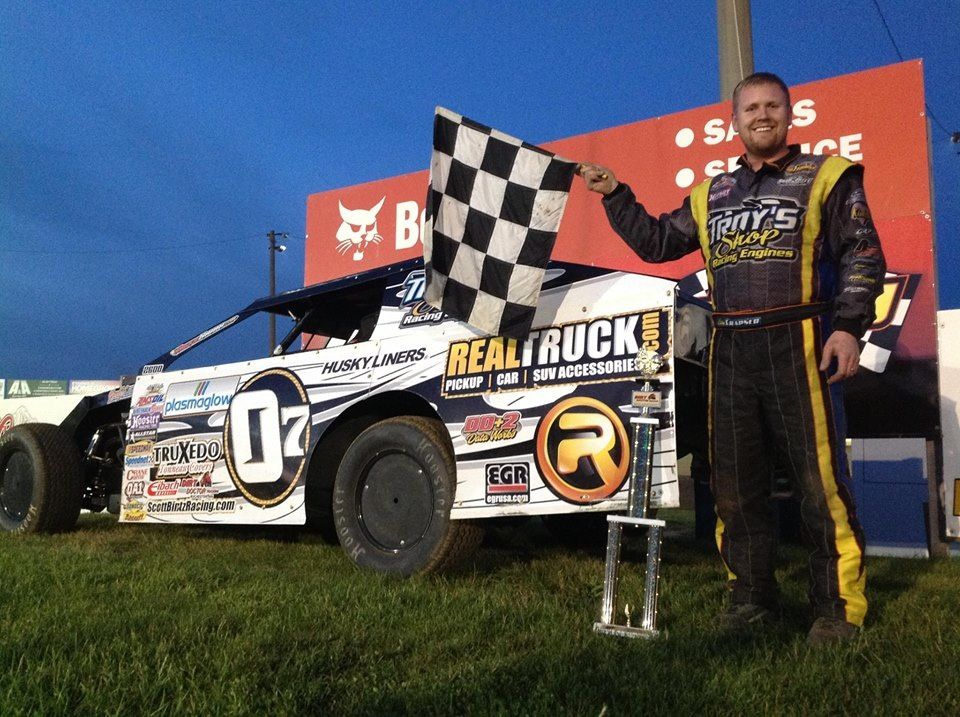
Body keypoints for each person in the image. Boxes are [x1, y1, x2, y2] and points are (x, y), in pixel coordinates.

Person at [579, 72, 885, 645]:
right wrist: (614, 193)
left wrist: (847, 327)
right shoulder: (711, 193)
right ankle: (751, 599)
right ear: (736, 121)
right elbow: (657, 243)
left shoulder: (828, 175)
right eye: (751, 108)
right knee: (735, 488)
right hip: (731, 349)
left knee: (820, 484)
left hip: (800, 340)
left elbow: (863, 253)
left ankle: (838, 608)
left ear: (789, 114)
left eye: (772, 106)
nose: (762, 115)